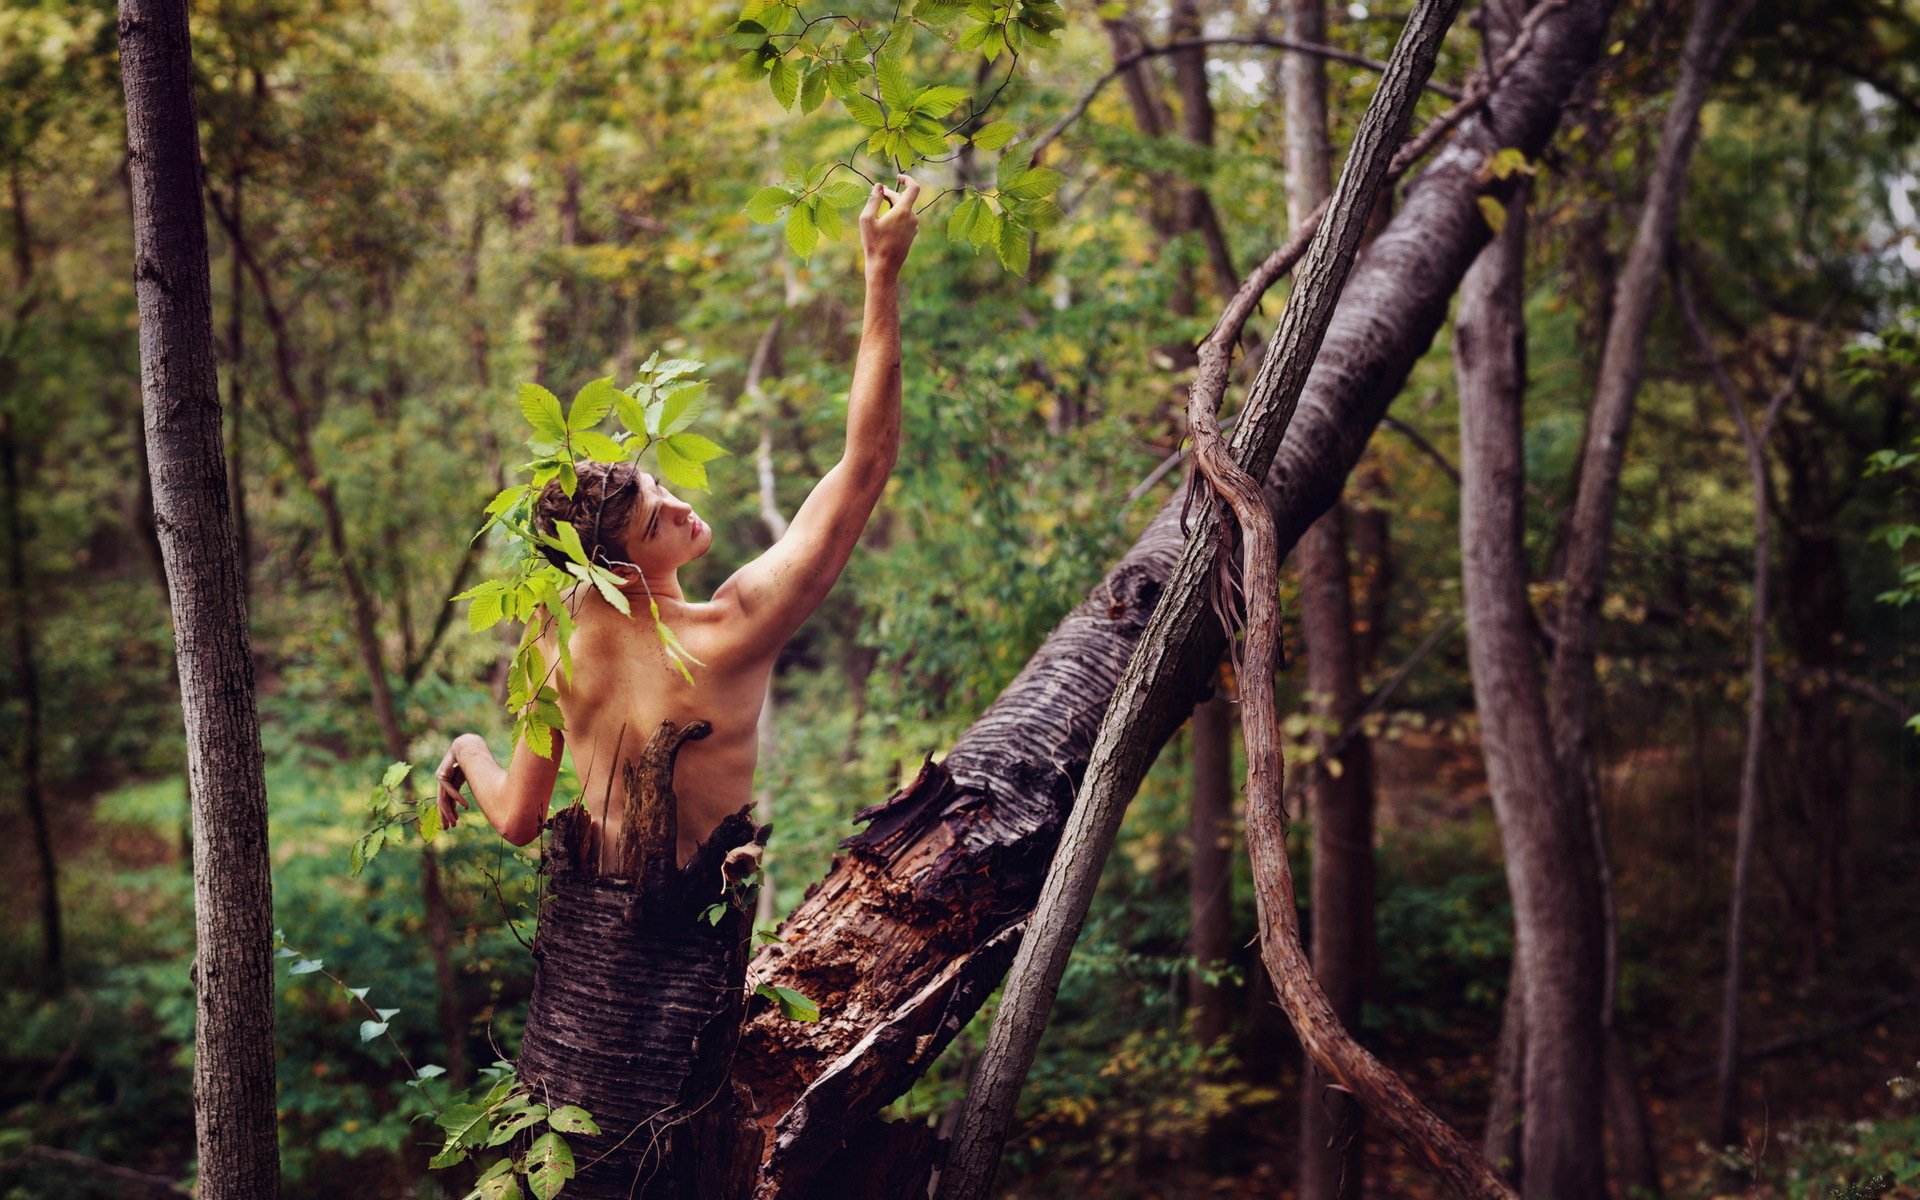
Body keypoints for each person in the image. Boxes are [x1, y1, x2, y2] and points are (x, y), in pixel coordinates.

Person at [435, 174, 920, 868]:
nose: (683, 506)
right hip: (688, 953)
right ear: (619, 566)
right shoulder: (731, 632)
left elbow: (517, 818)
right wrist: (881, 272)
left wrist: (467, 748)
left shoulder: (553, 630)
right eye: (658, 518)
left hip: (588, 947)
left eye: (660, 488)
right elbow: (867, 464)